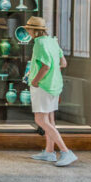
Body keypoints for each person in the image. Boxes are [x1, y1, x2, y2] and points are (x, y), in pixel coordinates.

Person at [24, 16, 76, 166]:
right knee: (50, 119)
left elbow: (45, 66)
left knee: (40, 120)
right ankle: (49, 152)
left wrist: (35, 81)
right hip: (55, 85)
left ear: (35, 31)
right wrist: (51, 72)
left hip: (43, 86)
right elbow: (63, 63)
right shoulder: (53, 41)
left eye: (29, 29)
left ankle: (66, 151)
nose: (28, 32)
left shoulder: (39, 43)